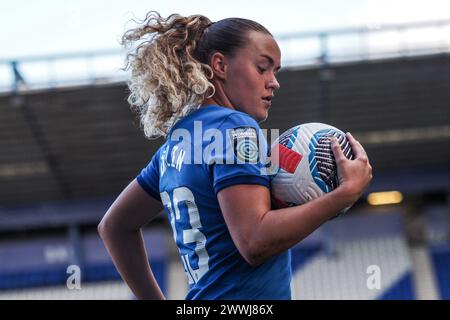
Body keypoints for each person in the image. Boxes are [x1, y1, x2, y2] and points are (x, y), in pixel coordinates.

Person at [98, 12, 372, 300]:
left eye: (275, 71)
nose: (274, 82)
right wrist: (344, 195)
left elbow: (114, 226)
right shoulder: (234, 127)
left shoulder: (175, 145)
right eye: (262, 68)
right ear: (220, 65)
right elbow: (255, 242)